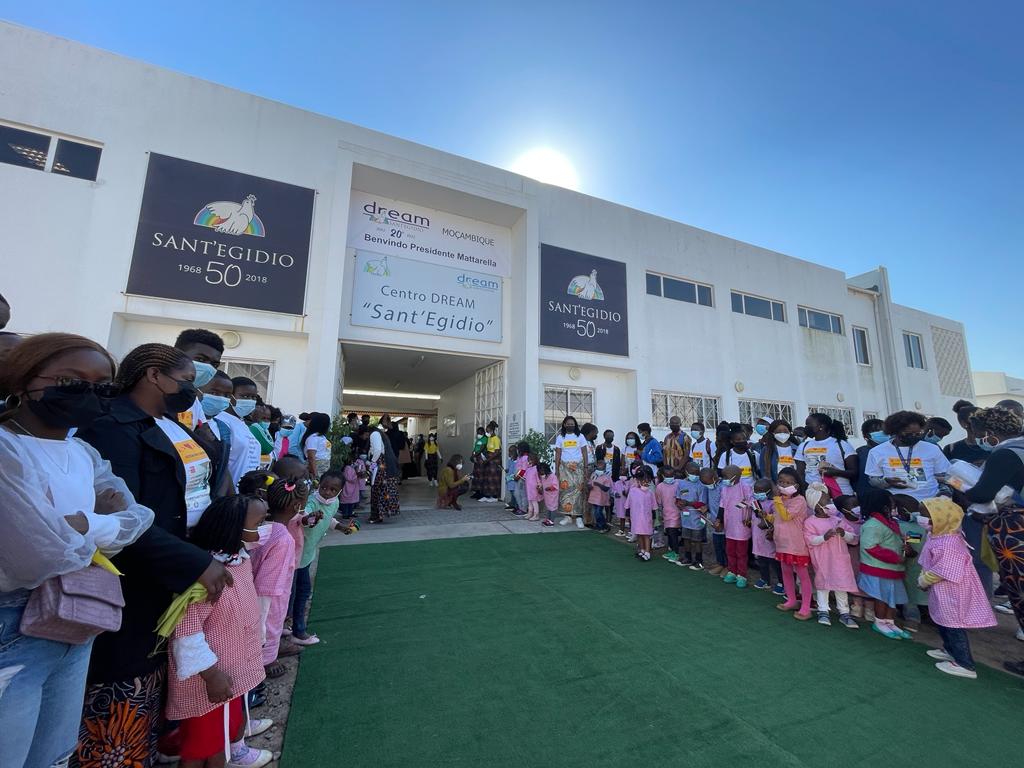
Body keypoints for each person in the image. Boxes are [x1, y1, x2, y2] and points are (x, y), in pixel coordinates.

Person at [0, 333, 154, 768]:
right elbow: (39, 554)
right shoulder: (7, 449)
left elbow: (138, 518)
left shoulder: (83, 451)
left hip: (75, 616)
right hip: (12, 623)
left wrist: (80, 523)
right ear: (25, 379)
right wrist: (99, 523)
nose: (88, 393)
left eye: (102, 386)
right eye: (70, 381)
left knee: (53, 755)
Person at [75, 343, 231, 767]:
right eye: (186, 381)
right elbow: (122, 514)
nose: (192, 391)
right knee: (124, 682)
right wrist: (192, 561)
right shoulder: (112, 427)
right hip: (138, 575)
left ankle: (151, 749)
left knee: (158, 678)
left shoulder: (171, 425)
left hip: (176, 569)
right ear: (153, 376)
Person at [167, 495, 273, 768]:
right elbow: (186, 632)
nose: (264, 529)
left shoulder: (239, 561)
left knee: (222, 740)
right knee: (200, 748)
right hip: (210, 682)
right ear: (233, 528)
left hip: (230, 678)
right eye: (259, 523)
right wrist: (211, 675)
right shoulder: (207, 577)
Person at [962, 406, 1024, 674]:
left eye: (979, 434)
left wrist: (961, 488)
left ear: (990, 432)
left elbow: (983, 493)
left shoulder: (1005, 454)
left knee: (1019, 587)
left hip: (1015, 528)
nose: (978, 439)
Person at [916, 497, 997, 679]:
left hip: (953, 591)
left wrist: (924, 580)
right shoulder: (937, 535)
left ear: (941, 520)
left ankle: (965, 664)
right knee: (943, 620)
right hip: (942, 589)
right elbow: (929, 560)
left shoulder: (950, 543)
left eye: (926, 517)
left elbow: (944, 569)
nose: (921, 519)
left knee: (954, 624)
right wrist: (924, 576)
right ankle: (949, 649)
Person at [251, 477, 309, 678]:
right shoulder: (283, 540)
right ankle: (266, 660)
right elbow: (265, 589)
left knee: (269, 623)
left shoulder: (264, 526)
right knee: (271, 624)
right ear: (297, 506)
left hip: (258, 590)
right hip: (272, 596)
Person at [291, 471, 353, 647]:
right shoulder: (312, 501)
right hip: (296, 556)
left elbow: (329, 517)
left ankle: (288, 624)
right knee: (300, 593)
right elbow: (303, 519)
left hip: (307, 554)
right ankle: (298, 630)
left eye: (333, 489)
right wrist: (311, 518)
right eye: (324, 487)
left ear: (339, 491)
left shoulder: (334, 502)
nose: (327, 492)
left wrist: (340, 527)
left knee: (297, 592)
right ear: (319, 485)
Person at [857, 488, 913, 640]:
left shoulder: (891, 523)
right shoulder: (873, 525)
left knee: (892, 598)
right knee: (881, 598)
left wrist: (906, 549)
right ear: (884, 506)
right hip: (879, 569)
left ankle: (890, 622)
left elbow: (896, 541)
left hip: (893, 569)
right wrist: (895, 558)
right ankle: (880, 622)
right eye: (892, 503)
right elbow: (869, 547)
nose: (895, 507)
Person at [803, 482, 860, 628]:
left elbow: (854, 539)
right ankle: (823, 610)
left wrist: (844, 533)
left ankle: (844, 612)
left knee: (841, 585)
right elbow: (810, 540)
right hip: (823, 560)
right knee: (823, 585)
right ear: (816, 505)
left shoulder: (837, 520)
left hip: (840, 560)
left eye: (829, 500)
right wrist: (824, 537)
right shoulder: (810, 522)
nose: (830, 504)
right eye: (826, 501)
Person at [865, 410, 951, 501]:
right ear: (895, 431)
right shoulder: (877, 452)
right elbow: (873, 481)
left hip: (931, 501)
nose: (914, 436)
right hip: (898, 502)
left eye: (918, 434)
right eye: (909, 434)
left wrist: (944, 494)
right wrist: (887, 482)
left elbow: (945, 476)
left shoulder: (932, 449)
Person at [772, 468, 813, 620]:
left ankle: (806, 608)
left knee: (802, 576)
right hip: (782, 542)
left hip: (796, 544)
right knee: (786, 572)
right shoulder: (780, 500)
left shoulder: (799, 500)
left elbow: (786, 516)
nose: (784, 485)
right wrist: (766, 517)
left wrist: (777, 499)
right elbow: (777, 517)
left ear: (796, 485)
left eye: (788, 482)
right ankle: (791, 600)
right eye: (781, 481)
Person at [172, 328, 224, 434]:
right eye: (200, 359)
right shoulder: (152, 393)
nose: (208, 368)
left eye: (214, 365)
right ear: (177, 354)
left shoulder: (193, 400)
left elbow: (205, 433)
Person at [215, 377, 261, 491]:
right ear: (231, 397)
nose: (250, 400)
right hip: (231, 493)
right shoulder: (221, 421)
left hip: (247, 493)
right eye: (245, 396)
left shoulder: (242, 423)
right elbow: (221, 464)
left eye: (253, 397)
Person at [795, 412, 857, 497]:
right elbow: (800, 473)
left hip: (842, 493)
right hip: (814, 496)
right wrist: (806, 489)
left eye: (809, 424)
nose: (806, 428)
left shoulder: (842, 444)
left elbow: (854, 472)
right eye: (806, 425)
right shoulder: (803, 446)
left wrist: (836, 472)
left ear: (821, 426)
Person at [720, 465, 754, 587]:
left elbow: (751, 502)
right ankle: (732, 571)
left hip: (741, 526)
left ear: (736, 476)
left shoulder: (745, 487)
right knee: (730, 550)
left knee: (741, 553)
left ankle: (741, 574)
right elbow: (722, 504)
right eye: (723, 477)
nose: (724, 479)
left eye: (726, 477)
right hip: (729, 526)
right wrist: (719, 519)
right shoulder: (724, 488)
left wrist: (747, 515)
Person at [555, 415, 590, 528]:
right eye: (568, 424)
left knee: (578, 491)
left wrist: (586, 467)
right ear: (564, 425)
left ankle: (578, 517)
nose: (570, 425)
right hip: (564, 468)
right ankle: (567, 517)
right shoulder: (560, 437)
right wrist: (556, 469)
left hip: (578, 467)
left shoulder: (580, 436)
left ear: (575, 425)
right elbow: (558, 453)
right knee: (565, 491)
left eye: (572, 424)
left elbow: (584, 452)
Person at [749, 477, 781, 591]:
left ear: (768, 491)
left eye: (761, 491)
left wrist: (767, 521)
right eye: (756, 490)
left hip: (768, 537)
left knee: (774, 561)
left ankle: (781, 582)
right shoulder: (754, 502)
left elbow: (776, 518)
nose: (757, 493)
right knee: (761, 559)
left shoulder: (773, 503)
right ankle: (764, 579)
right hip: (757, 536)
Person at [369, 414, 401, 522]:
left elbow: (377, 450)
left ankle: (377, 516)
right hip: (388, 467)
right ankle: (380, 515)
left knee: (377, 490)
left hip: (381, 466)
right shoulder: (382, 434)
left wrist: (372, 463)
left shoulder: (374, 434)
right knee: (384, 491)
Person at [676, 463, 708, 569]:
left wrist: (688, 503)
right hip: (685, 517)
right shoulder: (681, 483)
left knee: (697, 540)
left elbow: (702, 503)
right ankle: (688, 558)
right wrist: (679, 503)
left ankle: (699, 560)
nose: (695, 475)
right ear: (686, 472)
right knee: (686, 538)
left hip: (697, 518)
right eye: (693, 473)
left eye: (697, 473)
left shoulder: (701, 485)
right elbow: (678, 498)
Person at [625, 466, 657, 560]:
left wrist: (654, 518)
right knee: (639, 533)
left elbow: (653, 507)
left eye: (648, 481)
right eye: (643, 480)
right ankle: (642, 550)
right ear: (638, 480)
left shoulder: (650, 493)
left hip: (647, 518)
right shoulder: (633, 491)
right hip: (635, 517)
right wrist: (627, 515)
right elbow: (628, 504)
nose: (645, 482)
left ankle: (647, 552)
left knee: (646, 534)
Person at [702, 467, 727, 575]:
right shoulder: (709, 487)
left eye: (706, 482)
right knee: (717, 544)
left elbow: (724, 504)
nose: (706, 485)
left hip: (723, 521)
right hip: (713, 521)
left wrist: (720, 520)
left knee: (725, 545)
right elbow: (710, 501)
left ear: (714, 477)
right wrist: (706, 507)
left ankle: (727, 566)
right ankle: (720, 563)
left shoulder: (723, 487)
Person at [855, 418, 886, 498]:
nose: (883, 433)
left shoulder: (891, 451)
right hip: (866, 494)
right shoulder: (860, 452)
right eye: (878, 431)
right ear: (866, 436)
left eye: (884, 430)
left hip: (887, 494)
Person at [654, 467, 681, 560]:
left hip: (677, 513)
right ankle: (672, 551)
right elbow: (659, 502)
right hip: (666, 513)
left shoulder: (678, 484)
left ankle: (676, 553)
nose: (670, 477)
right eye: (667, 476)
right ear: (663, 476)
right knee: (669, 533)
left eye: (671, 475)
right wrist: (660, 514)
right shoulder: (660, 487)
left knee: (673, 534)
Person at [475, 421, 503, 503]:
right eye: (486, 431)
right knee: (487, 478)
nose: (486, 433)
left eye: (488, 431)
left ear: (492, 430)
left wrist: (488, 459)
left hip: (494, 460)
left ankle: (494, 496)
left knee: (493, 478)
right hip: (488, 459)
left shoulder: (496, 439)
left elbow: (497, 452)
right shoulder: (489, 438)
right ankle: (487, 495)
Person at [301, 412, 332, 480]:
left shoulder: (321, 437)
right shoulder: (313, 438)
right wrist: (315, 475)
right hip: (317, 466)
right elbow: (311, 457)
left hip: (324, 466)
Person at [588, 448, 612, 533]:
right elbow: (590, 483)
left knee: (598, 512)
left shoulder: (606, 477)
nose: (599, 466)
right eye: (598, 464)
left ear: (604, 467)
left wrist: (598, 484)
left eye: (601, 465)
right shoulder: (593, 475)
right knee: (596, 512)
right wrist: (589, 486)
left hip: (601, 498)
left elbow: (606, 488)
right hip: (593, 497)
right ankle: (599, 525)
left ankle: (603, 525)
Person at [248, 401, 275, 469]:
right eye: (263, 418)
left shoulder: (265, 430)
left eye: (268, 419)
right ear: (255, 418)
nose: (266, 421)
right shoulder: (254, 428)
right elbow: (268, 447)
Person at [538, 462, 560, 527]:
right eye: (540, 471)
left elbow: (555, 486)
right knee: (548, 507)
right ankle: (548, 519)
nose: (541, 472)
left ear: (546, 469)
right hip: (547, 495)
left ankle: (551, 521)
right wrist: (540, 488)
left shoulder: (553, 476)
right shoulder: (543, 477)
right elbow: (542, 484)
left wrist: (549, 488)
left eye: (542, 471)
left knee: (552, 508)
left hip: (553, 495)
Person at [610, 468, 630, 537]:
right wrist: (615, 493)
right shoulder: (617, 482)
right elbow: (613, 490)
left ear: (627, 474)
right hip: (620, 503)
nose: (622, 475)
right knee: (622, 516)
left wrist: (626, 493)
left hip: (627, 502)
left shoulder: (629, 482)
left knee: (629, 517)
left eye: (623, 473)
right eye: (620, 473)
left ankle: (631, 532)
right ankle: (621, 530)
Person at [524, 452, 542, 522]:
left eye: (531, 460)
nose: (529, 461)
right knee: (529, 501)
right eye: (528, 460)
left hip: (534, 488)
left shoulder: (536, 469)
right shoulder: (528, 469)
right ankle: (530, 513)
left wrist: (539, 486)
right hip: (529, 488)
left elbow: (538, 479)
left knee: (534, 501)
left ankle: (536, 515)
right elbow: (525, 477)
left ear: (535, 460)